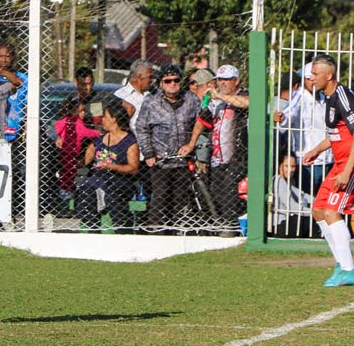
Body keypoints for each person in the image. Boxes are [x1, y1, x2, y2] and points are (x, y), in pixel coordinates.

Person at [301, 54, 354, 286]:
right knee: (318, 210)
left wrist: (347, 170)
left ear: (329, 75)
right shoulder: (328, 98)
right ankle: (341, 263)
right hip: (339, 164)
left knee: (332, 212)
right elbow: (337, 135)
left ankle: (348, 270)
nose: (311, 78)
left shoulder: (343, 97)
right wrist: (317, 149)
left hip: (352, 165)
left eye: (315, 74)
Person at [135, 63, 201, 234]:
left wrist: (192, 144)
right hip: (160, 161)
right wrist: (148, 152)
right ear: (161, 84)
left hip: (183, 161)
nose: (173, 84)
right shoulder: (151, 101)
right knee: (160, 198)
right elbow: (141, 128)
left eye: (176, 80)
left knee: (181, 200)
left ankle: (179, 233)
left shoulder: (191, 100)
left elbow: (201, 123)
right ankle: (156, 233)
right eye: (168, 81)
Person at [191, 63, 249, 232]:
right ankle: (222, 223)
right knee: (217, 191)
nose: (223, 84)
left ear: (236, 81)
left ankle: (232, 225)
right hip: (217, 156)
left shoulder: (242, 94)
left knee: (230, 190)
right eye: (220, 80)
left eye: (227, 80)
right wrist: (191, 143)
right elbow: (202, 122)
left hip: (238, 156)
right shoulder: (215, 102)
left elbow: (246, 103)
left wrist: (220, 97)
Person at [76, 102, 140, 231]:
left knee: (112, 194)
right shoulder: (99, 140)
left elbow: (133, 168)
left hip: (121, 179)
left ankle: (122, 230)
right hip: (99, 177)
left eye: (105, 116)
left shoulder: (130, 142)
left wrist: (111, 166)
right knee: (86, 188)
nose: (102, 120)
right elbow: (84, 161)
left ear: (114, 119)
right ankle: (93, 228)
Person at [274, 63, 330, 198]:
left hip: (328, 160)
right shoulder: (299, 96)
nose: (313, 81)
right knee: (309, 202)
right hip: (307, 162)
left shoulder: (327, 97)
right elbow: (289, 112)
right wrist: (282, 118)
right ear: (304, 80)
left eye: (315, 77)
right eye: (309, 78)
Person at [53, 97, 101, 202]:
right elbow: (84, 132)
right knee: (70, 171)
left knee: (66, 171)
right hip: (70, 151)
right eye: (81, 111)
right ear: (73, 111)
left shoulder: (66, 120)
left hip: (65, 151)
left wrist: (59, 135)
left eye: (84, 110)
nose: (84, 113)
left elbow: (58, 126)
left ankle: (65, 188)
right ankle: (65, 190)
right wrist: (98, 134)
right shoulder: (76, 121)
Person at [271, 154, 315, 239]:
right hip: (281, 225)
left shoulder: (289, 180)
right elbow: (292, 206)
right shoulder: (279, 180)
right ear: (280, 166)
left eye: (293, 166)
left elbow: (302, 195)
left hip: (288, 221)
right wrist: (314, 212)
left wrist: (321, 202)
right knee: (311, 220)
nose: (291, 170)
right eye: (287, 166)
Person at [115, 59, 154, 130]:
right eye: (150, 77)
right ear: (139, 76)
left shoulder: (150, 96)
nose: (152, 80)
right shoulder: (120, 95)